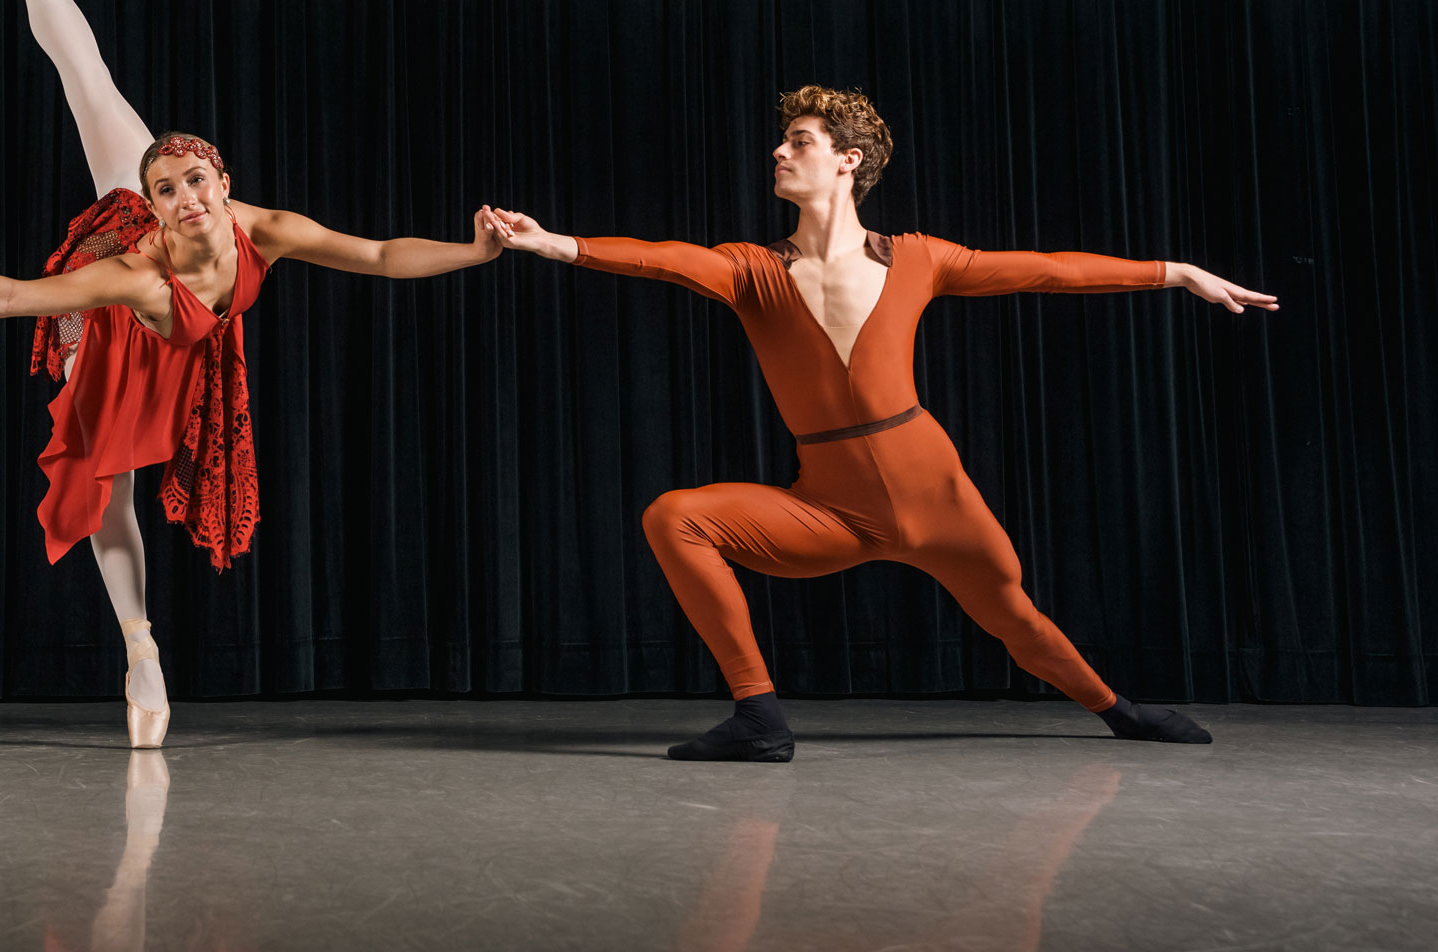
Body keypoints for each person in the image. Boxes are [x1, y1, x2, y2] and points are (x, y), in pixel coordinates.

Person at [0, 0, 504, 747]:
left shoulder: (264, 224)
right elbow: (9, 298)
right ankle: (140, 647)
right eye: (170, 190)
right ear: (156, 205)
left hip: (187, 337)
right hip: (109, 332)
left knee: (93, 79)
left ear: (223, 180)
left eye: (194, 182)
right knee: (108, 488)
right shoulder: (137, 266)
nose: (186, 199)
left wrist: (477, 249)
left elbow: (375, 253)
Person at [486, 85, 1275, 761]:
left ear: (848, 161)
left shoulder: (920, 259)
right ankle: (758, 715)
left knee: (1018, 621)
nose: (778, 152)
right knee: (676, 517)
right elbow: (659, 256)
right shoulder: (751, 270)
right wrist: (551, 241)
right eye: (782, 140)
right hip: (833, 512)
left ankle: (1119, 712)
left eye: (799, 141)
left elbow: (1050, 268)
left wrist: (1179, 273)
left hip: (939, 500)